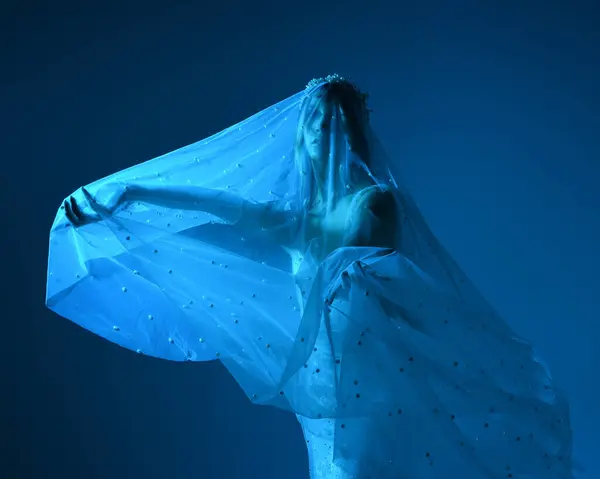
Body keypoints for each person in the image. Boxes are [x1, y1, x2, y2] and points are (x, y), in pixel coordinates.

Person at [49, 75, 574, 478]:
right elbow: (220, 207)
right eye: (319, 126)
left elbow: (380, 284)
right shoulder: (297, 222)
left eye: (339, 122)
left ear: (357, 129)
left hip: (376, 375)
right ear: (303, 137)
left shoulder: (375, 203)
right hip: (321, 379)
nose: (331, 135)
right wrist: (131, 197)